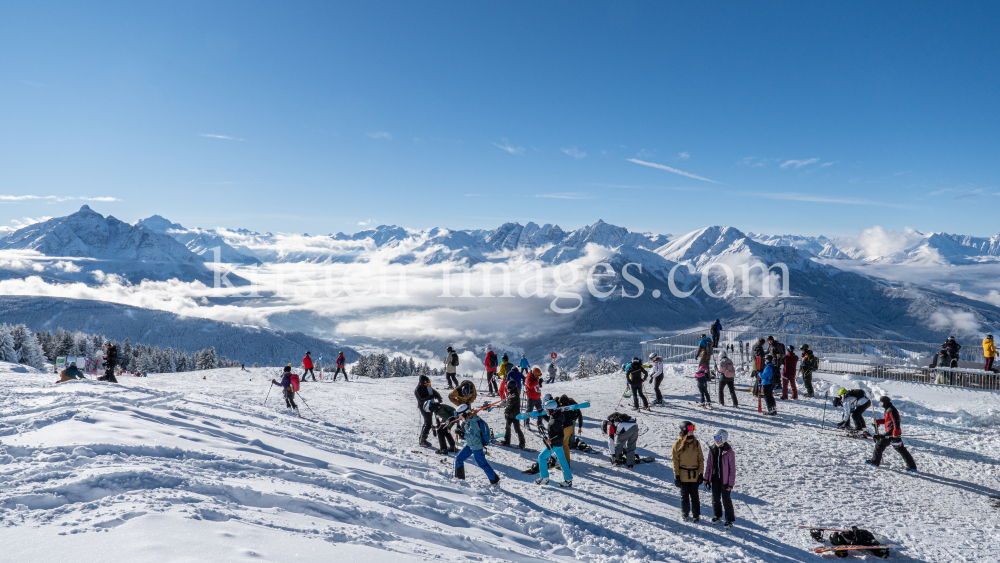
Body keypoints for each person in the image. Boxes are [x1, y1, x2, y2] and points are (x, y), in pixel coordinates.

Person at [454, 404, 501, 485]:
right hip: (470, 444)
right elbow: (469, 433)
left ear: (464, 413)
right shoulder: (468, 420)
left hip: (476, 446)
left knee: (482, 464)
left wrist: (462, 434)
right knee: (459, 458)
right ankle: (459, 480)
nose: (459, 417)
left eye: (460, 415)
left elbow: (473, 436)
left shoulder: (473, 422)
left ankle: (495, 481)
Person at [866, 396, 917, 472]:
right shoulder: (888, 409)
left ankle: (875, 461)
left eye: (881, 402)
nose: (880, 403)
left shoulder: (891, 410)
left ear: (885, 402)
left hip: (892, 433)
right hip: (892, 433)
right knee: (901, 449)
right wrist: (878, 421)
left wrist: (895, 434)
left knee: (879, 445)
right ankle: (912, 466)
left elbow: (896, 422)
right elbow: (887, 421)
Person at [534, 400, 573, 487]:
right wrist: (543, 414)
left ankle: (544, 478)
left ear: (551, 410)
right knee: (562, 461)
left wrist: (550, 441)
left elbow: (561, 435)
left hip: (555, 444)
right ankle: (568, 480)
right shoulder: (556, 415)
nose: (546, 411)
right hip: (558, 444)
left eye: (547, 409)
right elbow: (550, 420)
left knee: (541, 457)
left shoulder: (556, 421)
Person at [671, 421, 704, 522]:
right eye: (690, 429)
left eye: (693, 429)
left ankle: (696, 514)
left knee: (695, 496)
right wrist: (676, 476)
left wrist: (701, 474)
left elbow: (700, 459)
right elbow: (675, 461)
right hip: (683, 475)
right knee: (684, 496)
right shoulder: (677, 444)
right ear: (684, 430)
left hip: (694, 475)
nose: (692, 431)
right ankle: (685, 513)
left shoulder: (696, 443)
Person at [704, 429, 736, 529]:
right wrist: (707, 480)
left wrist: (730, 484)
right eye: (714, 438)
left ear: (724, 438)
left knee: (726, 499)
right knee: (715, 498)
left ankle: (729, 520)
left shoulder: (729, 451)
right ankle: (717, 516)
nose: (715, 440)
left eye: (717, 438)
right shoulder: (713, 449)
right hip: (715, 479)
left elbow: (732, 469)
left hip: (725, 480)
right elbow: (709, 465)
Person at [415, 374, 442, 447]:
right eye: (426, 384)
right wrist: (429, 397)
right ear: (421, 383)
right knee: (428, 423)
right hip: (423, 407)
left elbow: (433, 391)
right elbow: (420, 400)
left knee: (428, 422)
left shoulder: (427, 387)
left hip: (430, 406)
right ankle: (423, 441)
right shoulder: (417, 390)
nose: (427, 385)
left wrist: (438, 397)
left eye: (428, 383)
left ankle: (422, 438)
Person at [501, 379, 526, 449]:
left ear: (511, 387)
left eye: (508, 386)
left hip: (515, 415)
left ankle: (522, 443)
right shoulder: (511, 392)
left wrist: (506, 411)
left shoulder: (514, 394)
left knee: (517, 429)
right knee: (507, 428)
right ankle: (507, 441)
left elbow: (510, 405)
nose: (507, 388)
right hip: (510, 414)